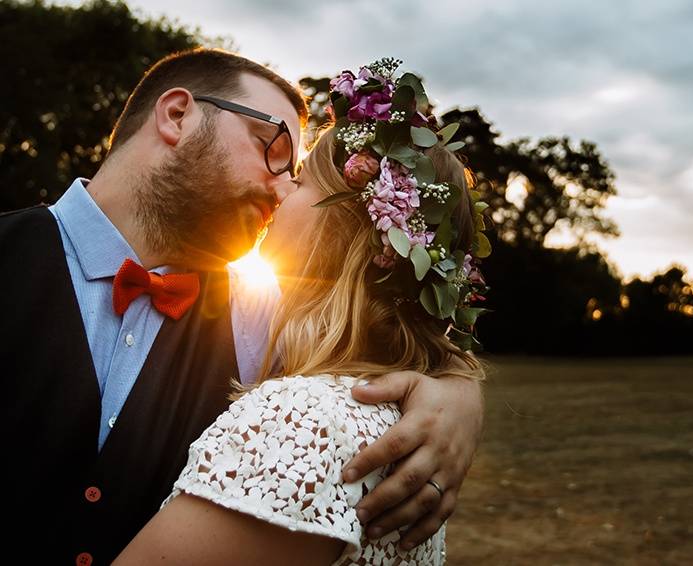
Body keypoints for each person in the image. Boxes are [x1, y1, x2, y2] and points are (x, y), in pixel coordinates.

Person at [0, 49, 483, 565]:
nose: (282, 187)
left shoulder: (262, 313)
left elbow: (389, 324)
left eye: (296, 172)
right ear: (178, 115)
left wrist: (457, 393)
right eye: (270, 147)